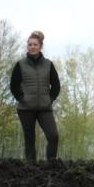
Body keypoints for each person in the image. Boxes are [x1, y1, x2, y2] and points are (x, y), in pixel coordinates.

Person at [10, 31, 61, 164]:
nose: (32, 47)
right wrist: (22, 98)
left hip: (45, 108)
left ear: (40, 46)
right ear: (27, 46)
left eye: (35, 44)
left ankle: (51, 163)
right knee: (30, 138)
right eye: (30, 44)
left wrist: (50, 99)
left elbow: (56, 85)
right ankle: (31, 168)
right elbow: (13, 86)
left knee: (53, 136)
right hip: (26, 109)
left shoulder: (48, 65)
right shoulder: (20, 65)